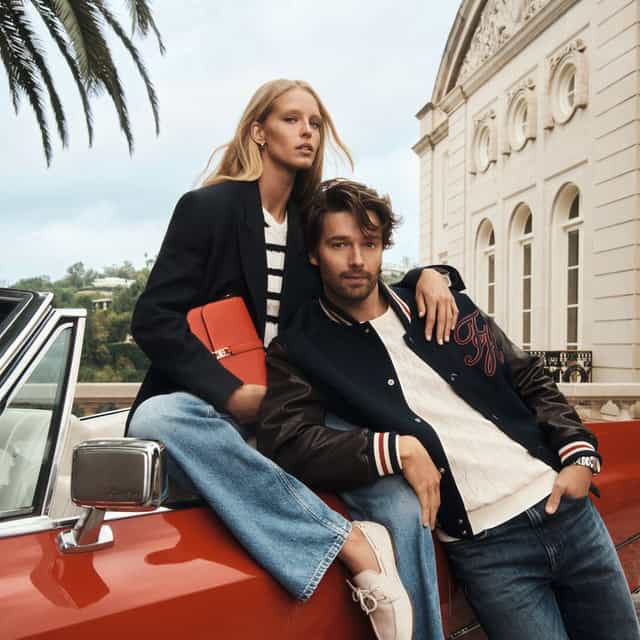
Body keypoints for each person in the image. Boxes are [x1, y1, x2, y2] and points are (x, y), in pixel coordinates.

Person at [127, 79, 464, 640]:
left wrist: (433, 274)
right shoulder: (208, 209)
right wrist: (232, 394)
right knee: (158, 416)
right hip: (216, 409)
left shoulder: (313, 222)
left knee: (403, 507)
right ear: (259, 131)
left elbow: (360, 275)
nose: (307, 132)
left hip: (297, 415)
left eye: (315, 123)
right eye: (291, 119)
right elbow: (153, 318)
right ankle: (347, 542)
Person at [258, 178, 640, 640]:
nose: (357, 259)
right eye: (340, 244)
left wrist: (579, 455)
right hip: (487, 551)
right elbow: (289, 441)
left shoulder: (440, 303)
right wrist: (393, 449)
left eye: (369, 244)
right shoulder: (301, 348)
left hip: (565, 510)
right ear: (315, 253)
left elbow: (526, 377)